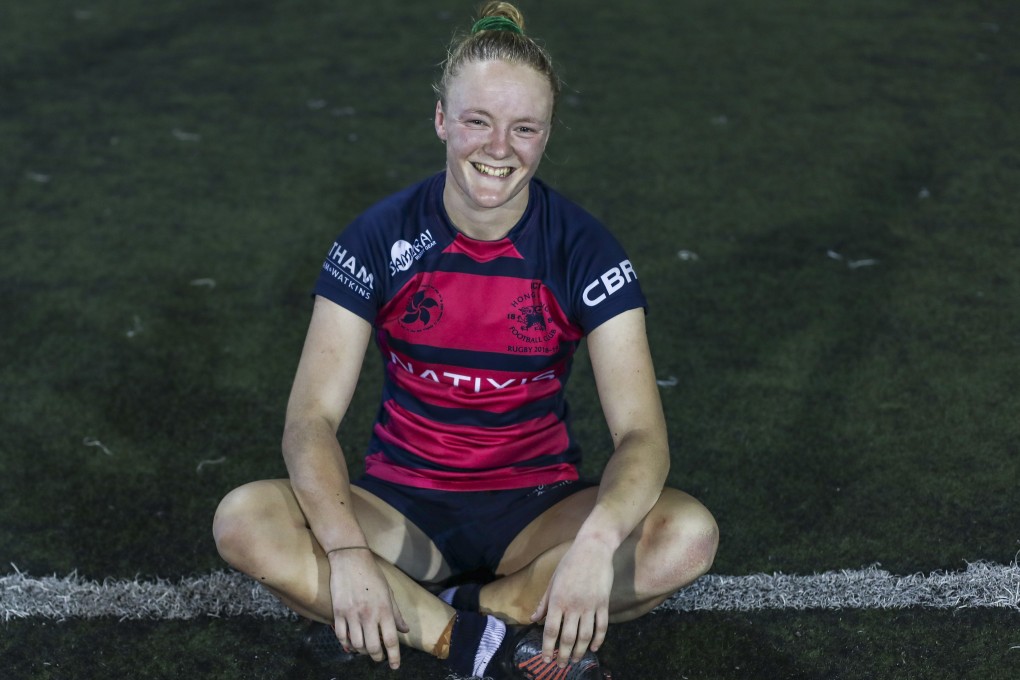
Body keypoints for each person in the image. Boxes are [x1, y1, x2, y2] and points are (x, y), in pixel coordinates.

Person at [212, 3, 718, 678]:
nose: (499, 147)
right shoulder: (378, 237)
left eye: (524, 128)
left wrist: (595, 543)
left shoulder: (585, 250)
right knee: (243, 521)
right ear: (442, 120)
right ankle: (462, 635)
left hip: (537, 509)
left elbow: (642, 437)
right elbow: (310, 421)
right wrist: (348, 552)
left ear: (546, 135)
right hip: (399, 510)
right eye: (478, 121)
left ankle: (483, 604)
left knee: (685, 539)